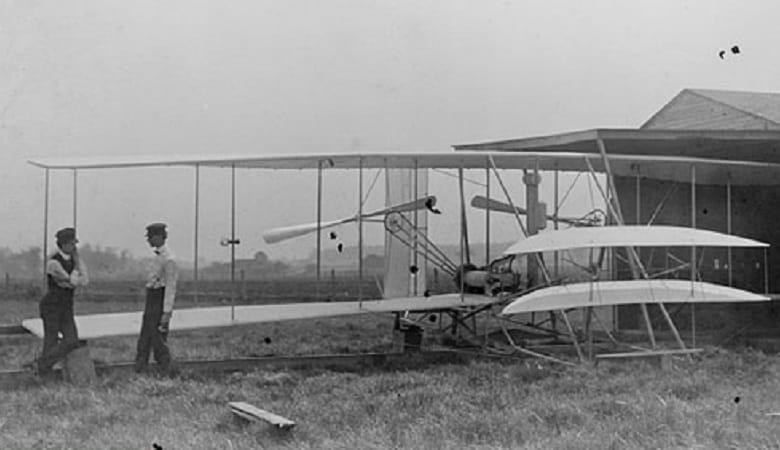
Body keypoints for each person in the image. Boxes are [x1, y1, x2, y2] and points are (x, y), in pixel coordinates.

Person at [36, 227, 89, 376]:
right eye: (72, 244)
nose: (74, 247)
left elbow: (85, 281)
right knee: (50, 341)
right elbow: (72, 281)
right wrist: (76, 271)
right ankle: (44, 373)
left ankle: (41, 364)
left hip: (66, 306)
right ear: (63, 244)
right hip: (51, 306)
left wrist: (75, 271)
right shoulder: (53, 263)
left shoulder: (76, 260)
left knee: (72, 339)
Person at [135, 222, 178, 373]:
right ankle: (139, 370)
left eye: (151, 237)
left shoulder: (169, 259)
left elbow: (171, 288)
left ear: (159, 237)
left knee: (158, 340)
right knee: (145, 338)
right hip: (151, 299)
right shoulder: (157, 256)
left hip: (159, 301)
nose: (149, 240)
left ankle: (167, 371)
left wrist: (166, 313)